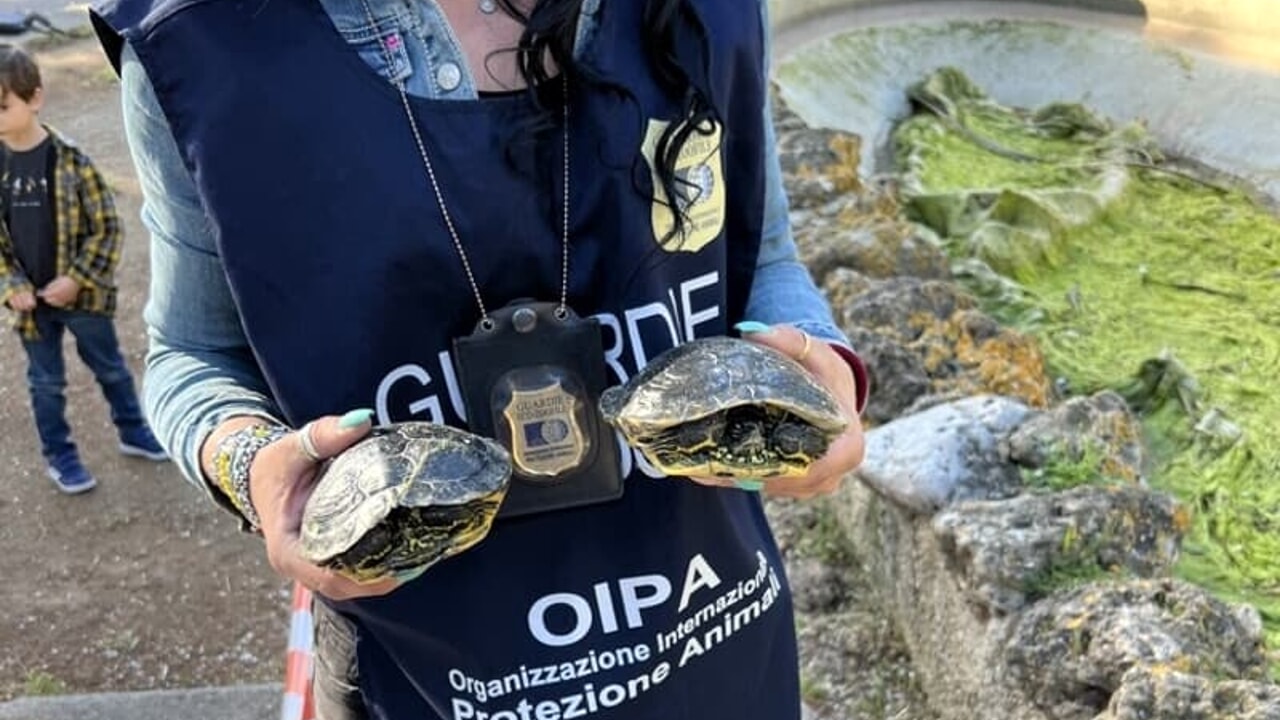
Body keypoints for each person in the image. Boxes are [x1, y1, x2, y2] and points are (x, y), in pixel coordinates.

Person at [91, 0, 870, 717]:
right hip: (431, 678)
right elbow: (192, 351)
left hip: (710, 638)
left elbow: (760, 258)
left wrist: (820, 367)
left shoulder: (707, 9)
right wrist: (254, 468)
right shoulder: (206, 39)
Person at [0, 44, 167, 496]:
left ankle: (134, 430)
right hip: (30, 307)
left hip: (83, 298)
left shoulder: (70, 160)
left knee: (111, 368)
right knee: (46, 384)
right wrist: (11, 284)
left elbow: (107, 227)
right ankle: (61, 455)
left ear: (34, 97)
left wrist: (76, 278)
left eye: (3, 105)